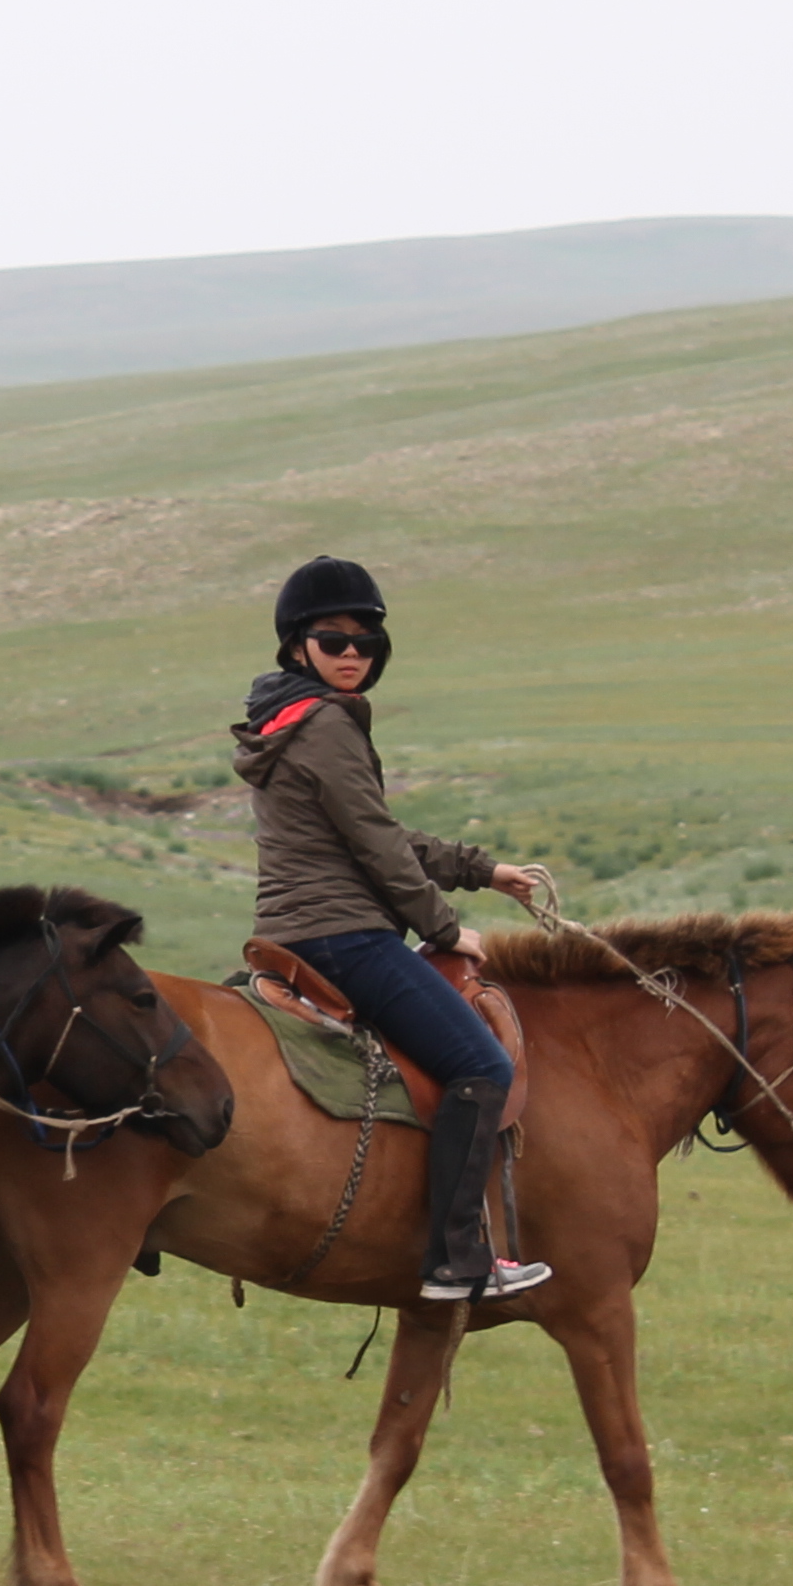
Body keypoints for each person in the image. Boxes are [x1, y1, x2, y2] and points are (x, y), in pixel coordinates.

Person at [234, 550, 553, 1305]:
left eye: (365, 641)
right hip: (343, 935)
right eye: (333, 640)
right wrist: (444, 929)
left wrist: (483, 870)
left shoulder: (290, 722)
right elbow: (377, 845)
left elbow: (376, 831)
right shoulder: (326, 725)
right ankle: (458, 1260)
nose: (352, 654)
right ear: (297, 646)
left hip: (297, 932)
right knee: (483, 1067)